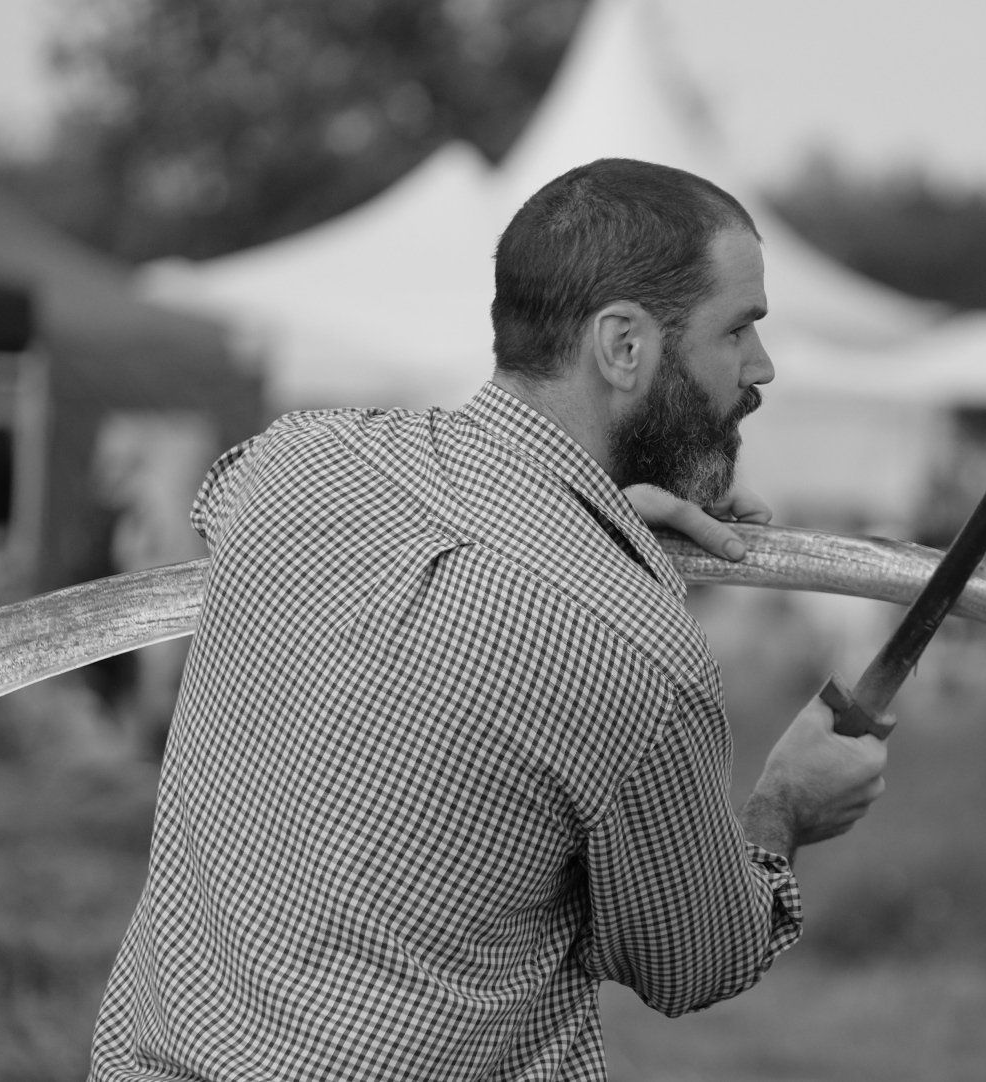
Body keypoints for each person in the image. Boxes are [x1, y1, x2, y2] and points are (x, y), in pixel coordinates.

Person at [88, 159, 889, 1080]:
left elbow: (219, 502)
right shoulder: (632, 648)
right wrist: (783, 811)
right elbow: (693, 961)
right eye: (738, 328)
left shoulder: (292, 463)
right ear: (623, 345)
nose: (761, 366)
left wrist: (597, 518)